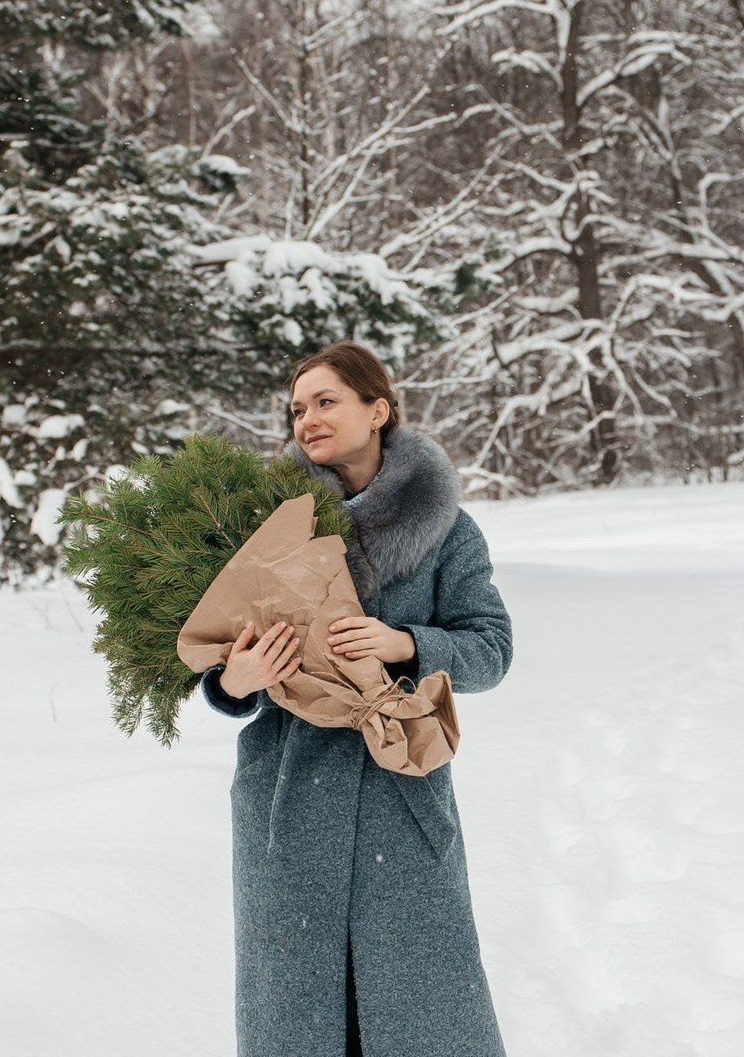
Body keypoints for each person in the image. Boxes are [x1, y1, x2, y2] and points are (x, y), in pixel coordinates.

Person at [199, 340, 513, 1057]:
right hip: (288, 797)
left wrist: (403, 643)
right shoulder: (265, 527)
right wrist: (233, 683)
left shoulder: (447, 532)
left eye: (326, 401)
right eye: (297, 407)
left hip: (398, 794)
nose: (306, 418)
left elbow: (492, 650)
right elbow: (216, 653)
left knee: (422, 1011)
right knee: (298, 1013)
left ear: (379, 409)